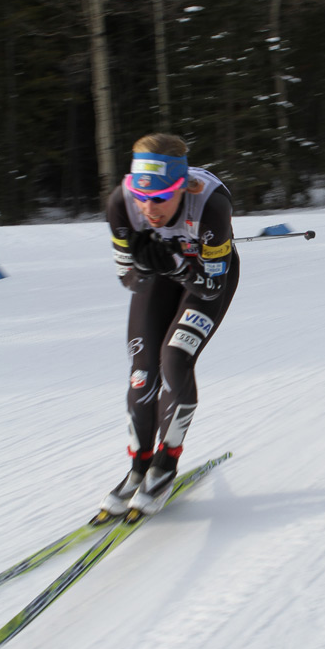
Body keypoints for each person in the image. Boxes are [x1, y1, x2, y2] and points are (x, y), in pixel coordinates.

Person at [101, 133, 240, 515]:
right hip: (160, 275)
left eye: (161, 197)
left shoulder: (210, 203)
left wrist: (178, 264)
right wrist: (145, 267)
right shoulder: (121, 204)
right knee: (142, 374)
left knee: (174, 358)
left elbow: (212, 287)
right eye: (142, 195)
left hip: (203, 278)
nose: (149, 207)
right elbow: (127, 278)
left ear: (183, 187)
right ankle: (139, 465)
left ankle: (166, 461)